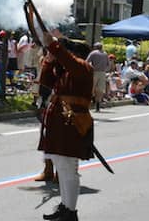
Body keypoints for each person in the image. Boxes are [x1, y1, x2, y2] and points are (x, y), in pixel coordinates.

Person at [38, 31, 94, 221]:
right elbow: (45, 82)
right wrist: (50, 59)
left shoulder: (83, 67)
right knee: (61, 166)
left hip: (72, 124)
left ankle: (70, 211)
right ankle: (65, 205)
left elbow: (69, 61)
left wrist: (54, 46)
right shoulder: (66, 71)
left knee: (68, 168)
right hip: (60, 123)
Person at [85, 42, 108, 112]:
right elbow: (108, 64)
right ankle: (98, 105)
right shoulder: (105, 54)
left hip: (94, 72)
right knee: (100, 90)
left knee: (91, 88)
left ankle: (89, 104)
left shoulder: (93, 53)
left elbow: (87, 61)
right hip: (102, 72)